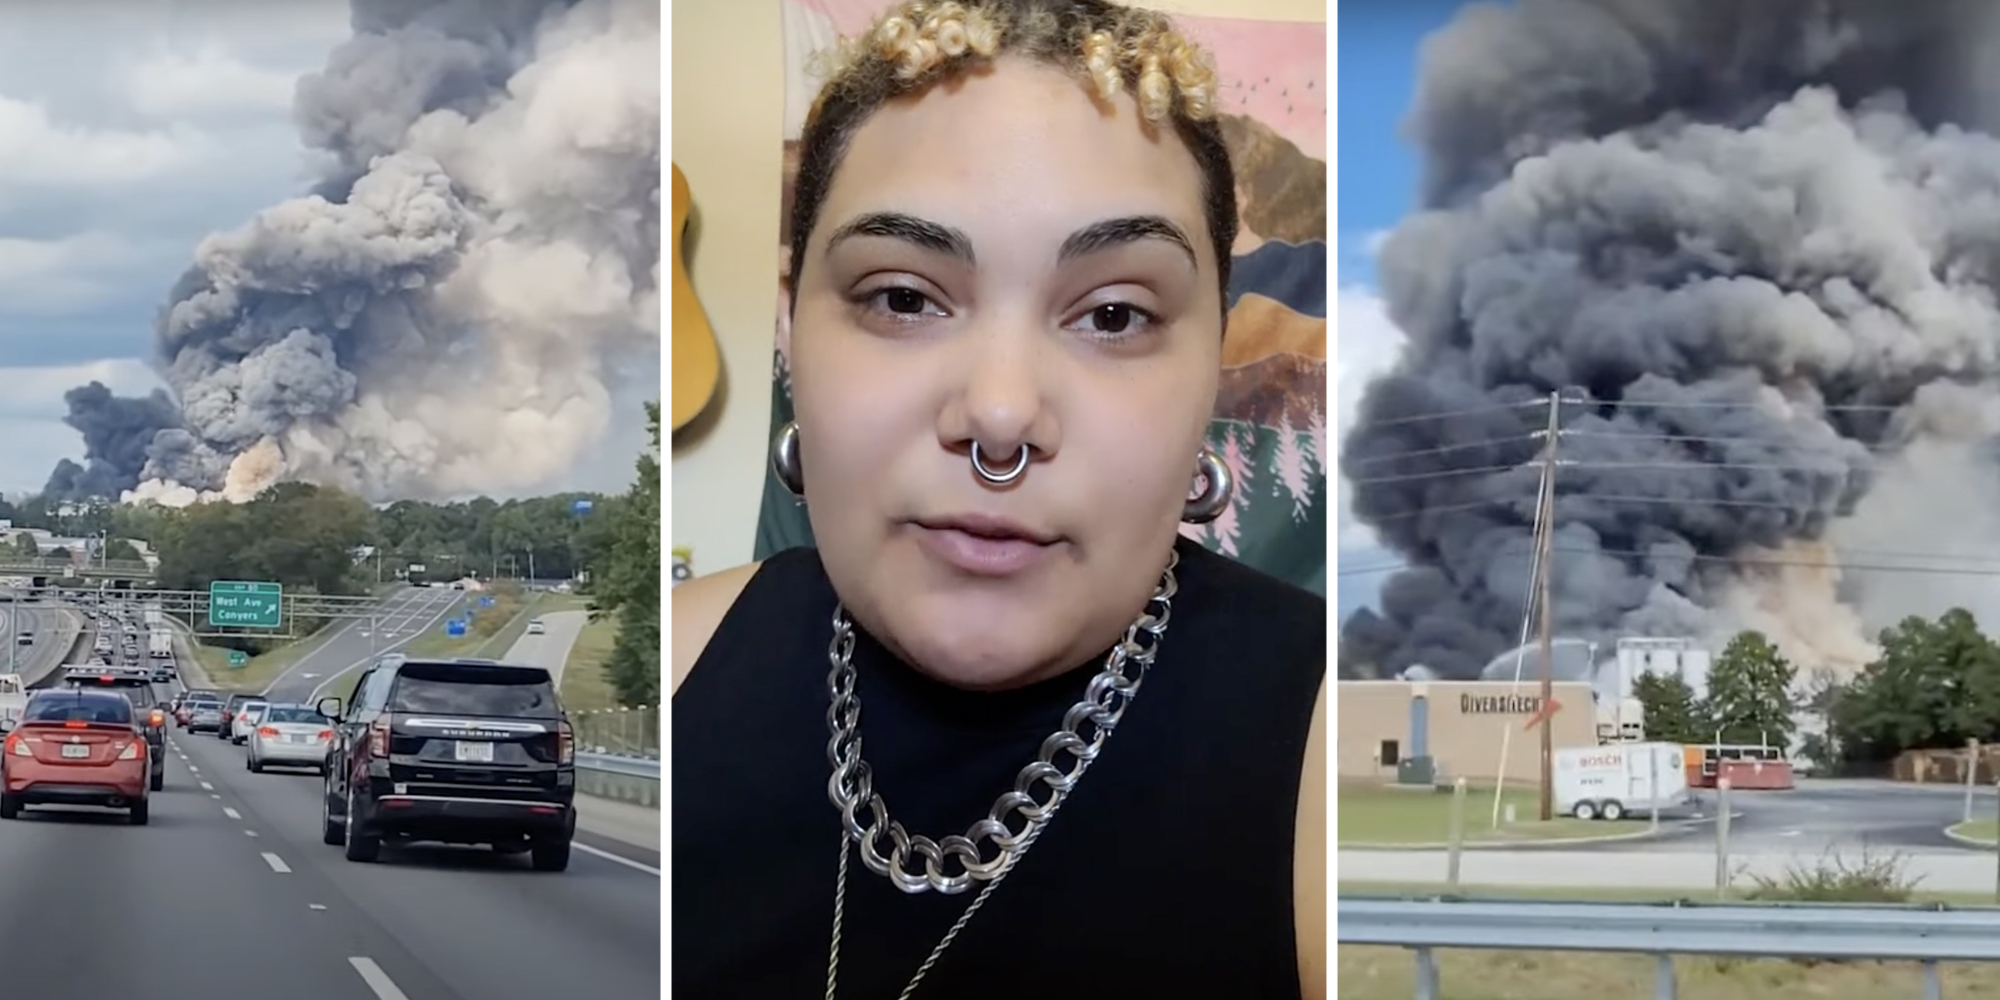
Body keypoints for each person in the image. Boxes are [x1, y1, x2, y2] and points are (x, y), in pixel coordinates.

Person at [671, 1, 1327, 997]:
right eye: (901, 297)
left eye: (1113, 314)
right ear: (793, 325)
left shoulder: (1330, 753)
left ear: (1211, 366)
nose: (1001, 414)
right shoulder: (676, 664)